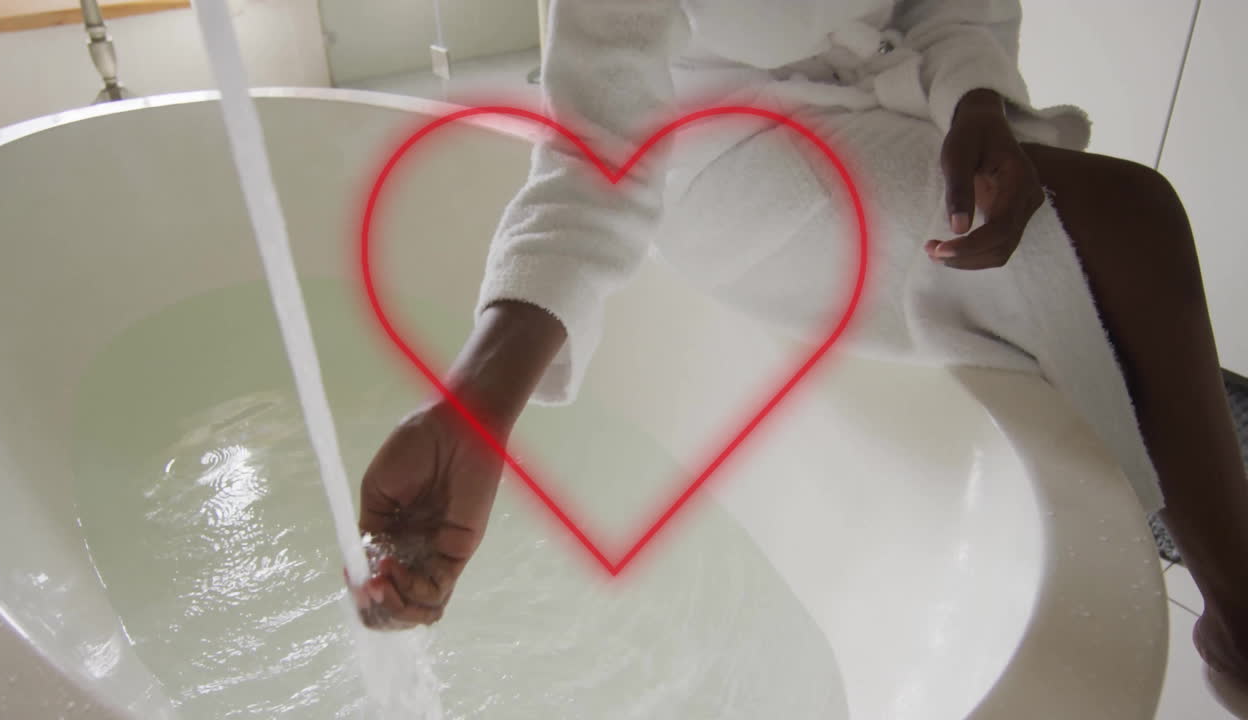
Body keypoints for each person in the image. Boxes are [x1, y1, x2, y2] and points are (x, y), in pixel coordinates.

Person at [349, 0, 1248, 685]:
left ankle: (1231, 609)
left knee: (1118, 240)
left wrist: (978, 94)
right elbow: (596, 159)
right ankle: (1238, 619)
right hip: (719, 150)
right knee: (1128, 226)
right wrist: (476, 403)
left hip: (895, 96)